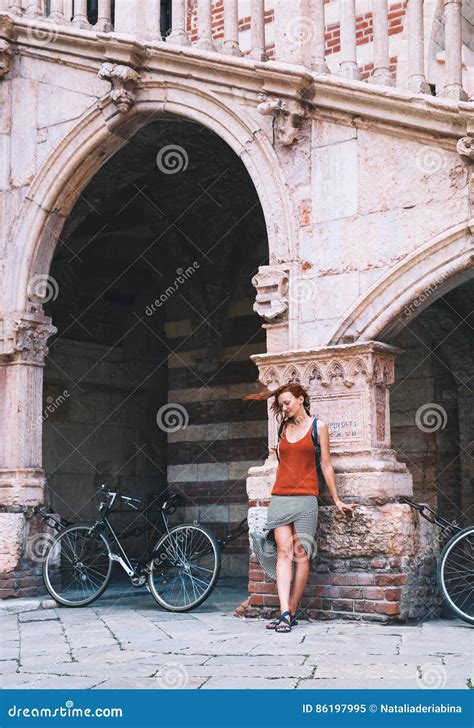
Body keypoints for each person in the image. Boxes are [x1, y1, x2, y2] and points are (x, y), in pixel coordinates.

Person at [244, 382, 357, 633]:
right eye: (281, 405)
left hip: (307, 498)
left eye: (287, 403)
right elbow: (282, 462)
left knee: (301, 555)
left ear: (301, 399)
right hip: (280, 497)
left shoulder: (319, 427)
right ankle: (284, 611)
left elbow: (326, 465)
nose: (283, 408)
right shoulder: (282, 427)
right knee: (283, 554)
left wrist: (337, 500)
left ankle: (291, 612)